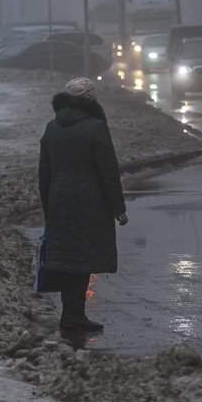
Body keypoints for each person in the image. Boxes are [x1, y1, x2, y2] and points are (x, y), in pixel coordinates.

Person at [38, 77, 128, 332]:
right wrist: (118, 207)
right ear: (91, 100)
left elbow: (44, 173)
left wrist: (49, 206)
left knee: (67, 258)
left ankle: (71, 314)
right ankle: (74, 315)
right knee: (83, 259)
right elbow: (108, 172)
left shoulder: (51, 128)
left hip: (59, 200)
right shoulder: (96, 128)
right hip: (91, 202)